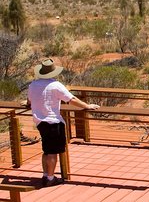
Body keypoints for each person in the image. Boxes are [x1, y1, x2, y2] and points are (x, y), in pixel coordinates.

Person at [26, 59, 100, 187]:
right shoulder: (56, 85)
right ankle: (50, 178)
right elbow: (71, 99)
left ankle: (45, 175)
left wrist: (27, 104)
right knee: (53, 151)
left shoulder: (33, 85)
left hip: (40, 122)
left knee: (46, 150)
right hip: (53, 122)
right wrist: (86, 106)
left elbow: (29, 101)